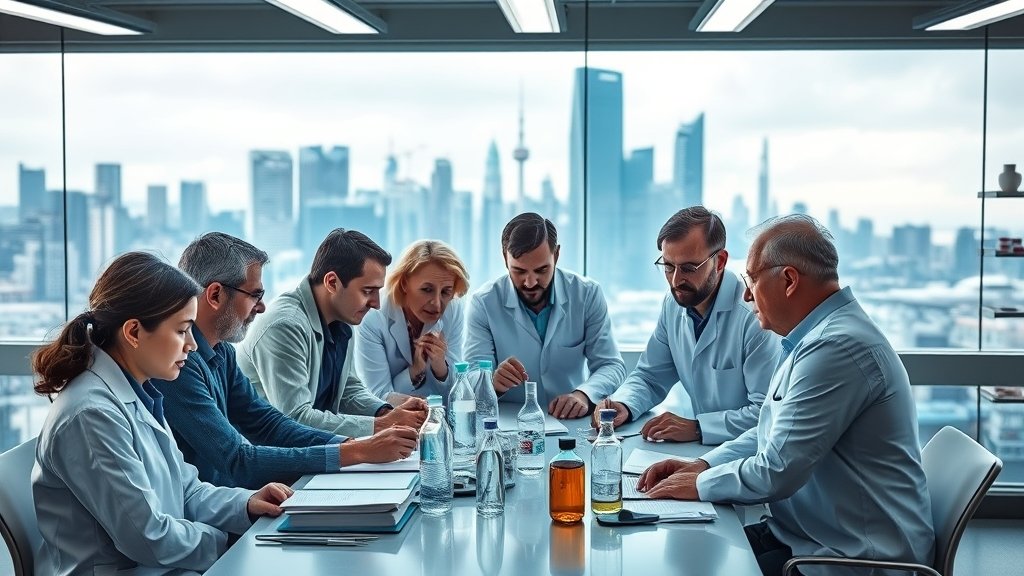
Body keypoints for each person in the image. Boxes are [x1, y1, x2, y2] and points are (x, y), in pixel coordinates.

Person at [637, 215, 934, 576]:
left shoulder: (837, 347)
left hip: (851, 558)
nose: (746, 295)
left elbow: (776, 471)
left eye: (753, 280)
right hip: (802, 534)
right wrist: (703, 466)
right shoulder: (814, 339)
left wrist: (698, 483)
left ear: (789, 280)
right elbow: (769, 434)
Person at [31, 251, 290, 576]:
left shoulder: (139, 392)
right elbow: (148, 538)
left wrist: (246, 504)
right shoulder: (90, 415)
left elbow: (186, 489)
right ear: (134, 333)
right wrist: (229, 543)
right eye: (182, 330)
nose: (192, 345)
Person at [153, 233, 418, 490]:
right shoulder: (180, 365)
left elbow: (270, 423)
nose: (262, 307)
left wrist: (351, 442)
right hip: (218, 509)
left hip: (243, 496)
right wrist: (358, 449)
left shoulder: (222, 353)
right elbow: (237, 458)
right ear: (215, 295)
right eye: (255, 295)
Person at [592, 207, 780, 444]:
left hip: (751, 457)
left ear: (719, 261)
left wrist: (698, 428)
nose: (675, 280)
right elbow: (650, 376)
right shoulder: (673, 305)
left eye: (689, 268)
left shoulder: (754, 316)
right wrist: (624, 404)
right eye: (668, 266)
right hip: (703, 452)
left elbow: (766, 414)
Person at [238, 228, 427, 437]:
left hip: (313, 452)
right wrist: (383, 425)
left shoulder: (342, 321)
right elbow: (295, 418)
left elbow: (348, 390)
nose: (376, 303)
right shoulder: (284, 326)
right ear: (332, 282)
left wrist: (387, 412)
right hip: (274, 460)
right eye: (367, 291)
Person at [465, 212, 626, 419]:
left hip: (570, 419)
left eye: (541, 270)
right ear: (505, 257)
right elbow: (471, 375)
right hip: (510, 421)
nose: (530, 282)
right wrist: (492, 382)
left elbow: (611, 365)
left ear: (556, 255)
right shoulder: (484, 302)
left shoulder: (586, 294)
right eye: (519, 271)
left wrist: (583, 395)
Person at [355, 239, 470, 399]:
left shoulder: (454, 308)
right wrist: (416, 370)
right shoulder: (373, 316)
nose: (437, 304)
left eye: (445, 292)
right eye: (427, 289)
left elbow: (458, 394)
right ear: (404, 284)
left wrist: (440, 367)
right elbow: (379, 396)